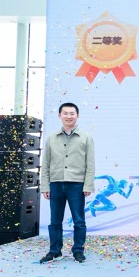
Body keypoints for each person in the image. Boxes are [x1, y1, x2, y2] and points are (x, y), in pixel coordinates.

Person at [39, 102, 95, 264]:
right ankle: (55, 251)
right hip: (56, 183)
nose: (69, 116)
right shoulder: (51, 138)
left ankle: (78, 251)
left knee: (79, 220)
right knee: (55, 221)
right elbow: (46, 163)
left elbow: (90, 164)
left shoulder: (86, 137)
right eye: (65, 113)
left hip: (77, 184)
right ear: (59, 116)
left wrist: (88, 185)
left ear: (77, 116)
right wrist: (45, 186)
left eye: (72, 113)